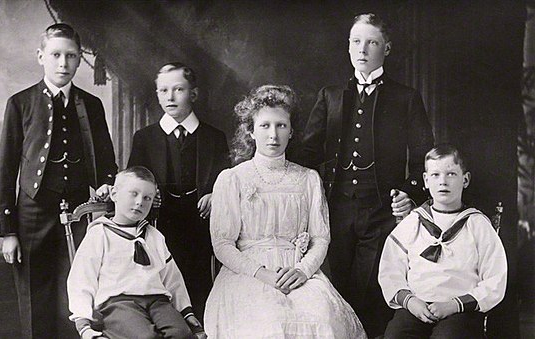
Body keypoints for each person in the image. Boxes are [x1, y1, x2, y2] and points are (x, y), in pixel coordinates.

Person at [298, 13, 434, 337]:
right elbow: (307, 154)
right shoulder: (330, 96)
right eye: (356, 41)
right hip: (336, 209)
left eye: (372, 42)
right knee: (339, 288)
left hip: (381, 213)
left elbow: (423, 158)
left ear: (386, 48)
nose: (363, 49)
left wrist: (410, 194)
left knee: (369, 292)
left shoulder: (406, 98)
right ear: (348, 47)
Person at [204, 85, 366, 338]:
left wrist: (302, 270)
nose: (273, 135)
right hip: (248, 274)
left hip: (299, 272)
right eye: (265, 126)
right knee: (269, 326)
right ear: (251, 130)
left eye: (281, 126)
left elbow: (321, 237)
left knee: (324, 321)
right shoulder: (232, 178)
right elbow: (223, 243)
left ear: (291, 131)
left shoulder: (308, 179)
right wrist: (264, 274)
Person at [0, 23, 117, 338]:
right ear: (41, 57)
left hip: (79, 213)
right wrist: (8, 231)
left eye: (71, 56)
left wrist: (106, 182)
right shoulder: (20, 103)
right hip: (32, 214)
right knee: (35, 296)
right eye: (56, 55)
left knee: (77, 294)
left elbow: (107, 161)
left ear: (79, 60)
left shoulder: (92, 105)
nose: (63, 63)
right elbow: (6, 168)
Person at [125, 62, 230, 317]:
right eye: (163, 91)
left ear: (193, 94)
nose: (170, 97)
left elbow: (228, 179)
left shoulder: (213, 138)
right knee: (163, 283)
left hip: (201, 223)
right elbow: (134, 180)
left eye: (178, 89)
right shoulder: (145, 138)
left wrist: (216, 194)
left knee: (199, 285)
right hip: (161, 223)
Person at [378, 144, 507, 338]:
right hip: (417, 307)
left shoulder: (477, 224)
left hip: (459, 311)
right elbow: (390, 269)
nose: (443, 182)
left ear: (465, 180)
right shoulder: (414, 222)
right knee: (396, 335)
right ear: (425, 180)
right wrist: (411, 302)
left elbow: (495, 279)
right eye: (436, 175)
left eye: (451, 174)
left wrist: (454, 305)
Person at [67, 166, 204, 339]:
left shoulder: (154, 236)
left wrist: (186, 312)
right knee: (145, 337)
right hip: (119, 303)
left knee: (182, 334)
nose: (140, 202)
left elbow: (172, 277)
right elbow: (82, 279)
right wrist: (83, 323)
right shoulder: (99, 233)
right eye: (134, 194)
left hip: (157, 301)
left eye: (147, 198)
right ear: (115, 194)